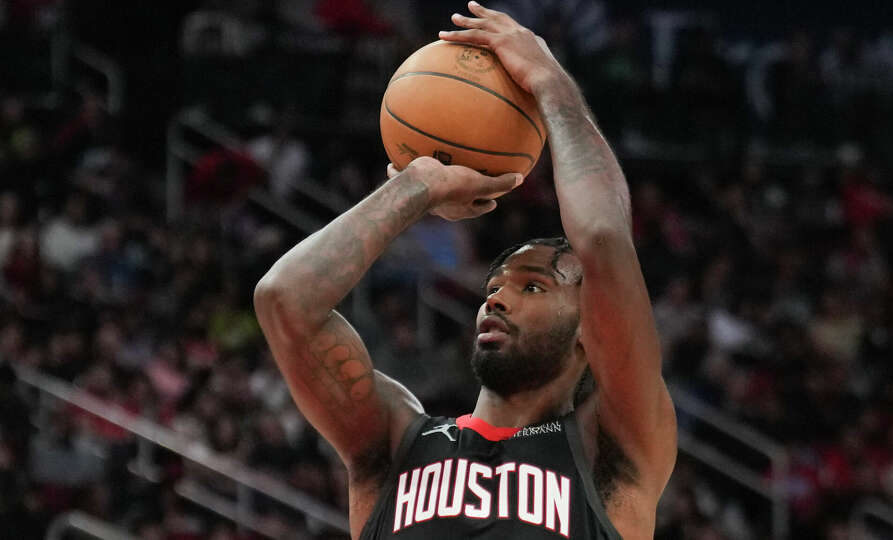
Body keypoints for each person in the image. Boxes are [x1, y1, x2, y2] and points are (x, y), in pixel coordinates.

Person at [253, 2, 677, 538]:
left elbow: (601, 238)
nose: (496, 299)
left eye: (532, 286)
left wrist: (551, 86)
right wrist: (416, 187)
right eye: (494, 286)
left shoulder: (611, 451)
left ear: (588, 329)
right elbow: (283, 300)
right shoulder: (395, 442)